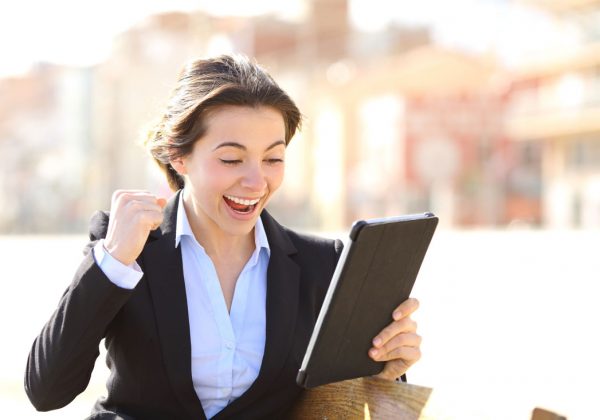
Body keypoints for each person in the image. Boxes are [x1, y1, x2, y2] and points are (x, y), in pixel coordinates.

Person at [25, 54, 422, 419]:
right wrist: (113, 261)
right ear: (179, 157)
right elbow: (47, 391)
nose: (255, 182)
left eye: (273, 158)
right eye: (231, 159)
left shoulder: (325, 265)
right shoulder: (128, 248)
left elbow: (365, 407)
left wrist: (389, 369)